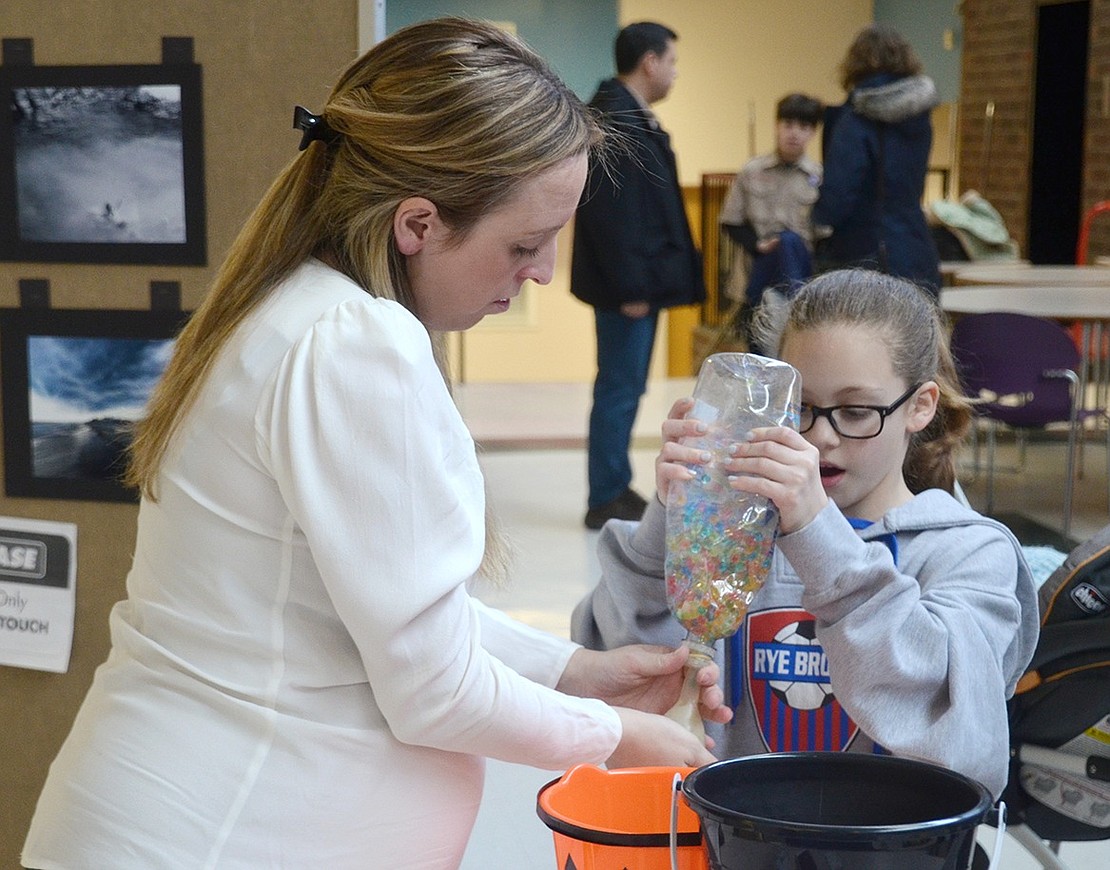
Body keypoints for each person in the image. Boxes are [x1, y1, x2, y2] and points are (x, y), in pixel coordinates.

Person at [21, 19, 730, 870]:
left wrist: (575, 670)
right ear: (418, 224)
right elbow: (434, 689)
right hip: (215, 836)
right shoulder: (355, 344)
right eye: (525, 244)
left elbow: (380, 608)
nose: (541, 273)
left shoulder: (298, 307)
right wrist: (620, 735)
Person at [572, 268, 1040, 799]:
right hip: (736, 839)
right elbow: (611, 664)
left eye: (857, 411)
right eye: (800, 409)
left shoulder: (968, 552)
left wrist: (817, 532)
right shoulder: (738, 532)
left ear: (920, 406)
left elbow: (954, 735)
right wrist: (675, 516)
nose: (820, 437)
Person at [572, 21, 706, 530]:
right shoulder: (616, 119)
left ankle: (612, 485)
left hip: (637, 283)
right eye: (671, 61)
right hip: (627, 289)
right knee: (619, 389)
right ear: (649, 61)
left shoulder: (630, 115)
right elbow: (613, 215)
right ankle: (604, 495)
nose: (674, 72)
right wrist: (631, 287)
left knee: (623, 387)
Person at [811, 24, 943, 294]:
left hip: (863, 254)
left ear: (858, 62)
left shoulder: (855, 120)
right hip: (915, 247)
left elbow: (840, 192)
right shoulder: (919, 118)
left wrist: (817, 219)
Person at [719, 92, 824, 350]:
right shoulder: (752, 171)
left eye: (804, 127)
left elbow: (825, 234)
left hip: (800, 270)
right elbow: (730, 221)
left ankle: (794, 308)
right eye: (788, 125)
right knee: (758, 348)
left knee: (789, 242)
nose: (794, 133)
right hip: (758, 266)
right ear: (777, 126)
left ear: (813, 132)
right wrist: (756, 245)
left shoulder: (820, 177)